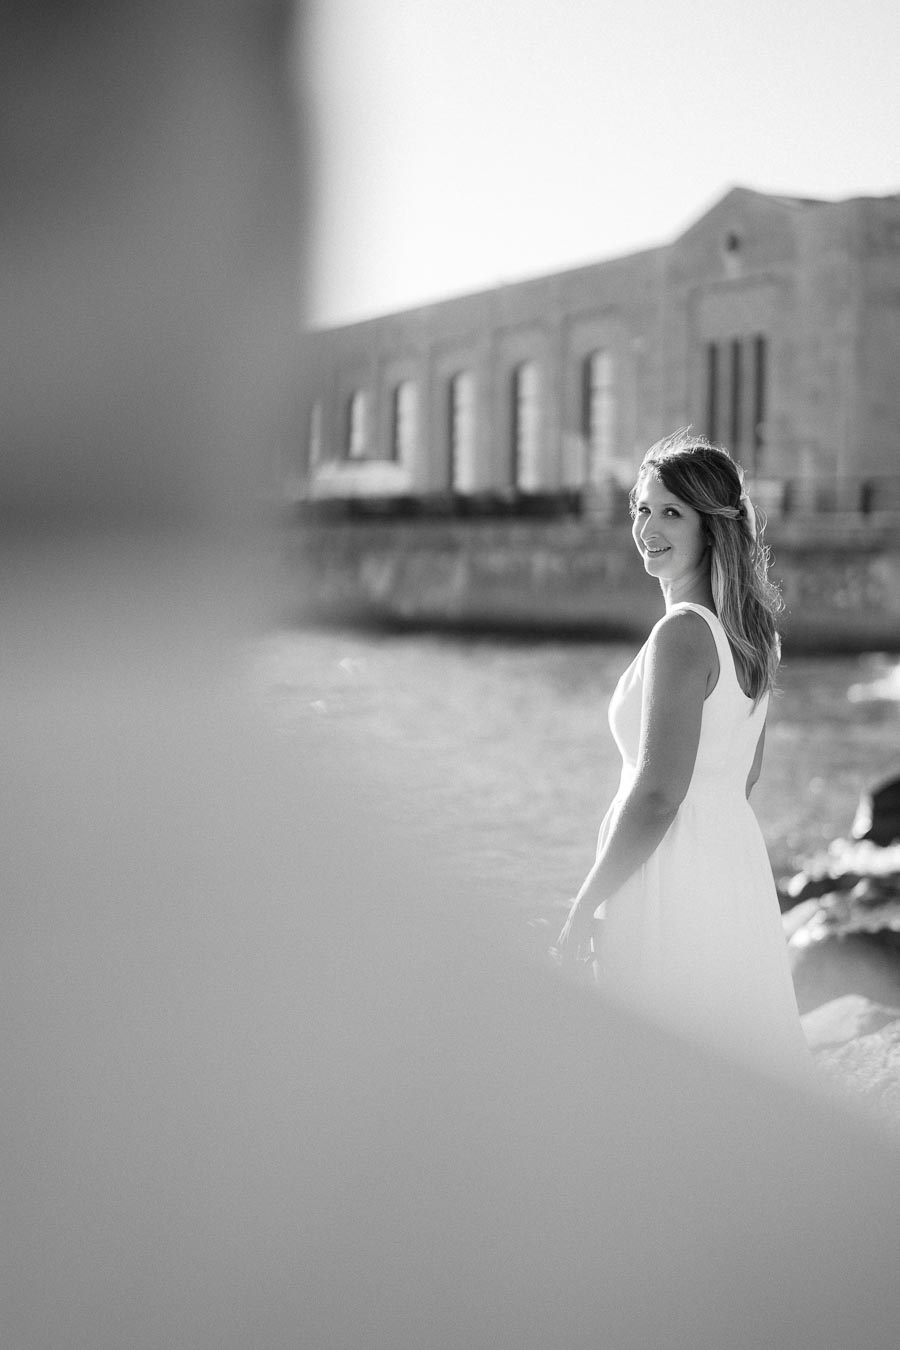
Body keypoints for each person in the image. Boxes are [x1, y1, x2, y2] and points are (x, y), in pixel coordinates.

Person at [555, 429, 812, 1079]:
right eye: (642, 508)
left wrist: (587, 904)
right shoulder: (754, 636)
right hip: (733, 872)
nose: (648, 527)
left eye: (671, 512)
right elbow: (742, 776)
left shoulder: (681, 635)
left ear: (711, 528)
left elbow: (658, 793)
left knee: (658, 1079)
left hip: (670, 878)